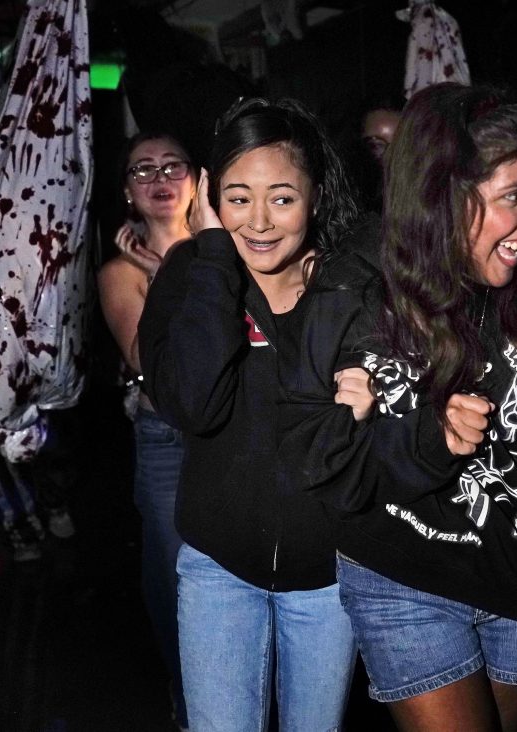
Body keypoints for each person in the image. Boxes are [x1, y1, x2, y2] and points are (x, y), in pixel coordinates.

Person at [329, 83, 517, 731]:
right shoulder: (361, 286)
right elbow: (341, 466)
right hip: (407, 575)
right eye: (515, 195)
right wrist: (432, 435)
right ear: (446, 195)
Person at [138, 96, 378, 732]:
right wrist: (214, 254)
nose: (261, 221)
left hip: (329, 579)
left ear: (316, 197)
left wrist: (372, 402)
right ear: (211, 198)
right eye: (239, 198)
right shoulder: (192, 273)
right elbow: (193, 404)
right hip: (219, 571)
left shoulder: (351, 283)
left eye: (283, 197)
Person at [97, 131, 197, 731]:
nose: (159, 178)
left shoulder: (232, 250)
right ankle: (188, 700)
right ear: (128, 192)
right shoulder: (119, 272)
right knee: (175, 577)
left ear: (196, 180)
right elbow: (147, 363)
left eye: (172, 166)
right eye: (143, 170)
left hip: (233, 432)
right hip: (166, 438)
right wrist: (161, 274)